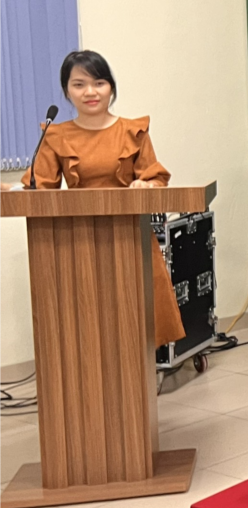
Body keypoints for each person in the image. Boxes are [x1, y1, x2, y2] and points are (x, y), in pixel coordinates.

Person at [9, 50, 185, 348]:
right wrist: (13, 191)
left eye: (99, 83)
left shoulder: (133, 131)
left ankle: (135, 377)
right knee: (87, 327)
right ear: (67, 91)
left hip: (130, 237)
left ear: (111, 87)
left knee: (133, 322)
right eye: (79, 84)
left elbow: (156, 178)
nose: (90, 92)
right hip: (77, 242)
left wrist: (146, 184)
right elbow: (39, 189)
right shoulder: (56, 135)